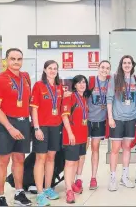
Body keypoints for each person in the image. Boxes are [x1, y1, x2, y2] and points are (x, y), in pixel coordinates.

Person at [0, 48, 32, 206]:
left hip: (23, 122)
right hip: (5, 124)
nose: (16, 62)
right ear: (6, 60)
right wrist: (10, 128)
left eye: (19, 59)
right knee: (3, 161)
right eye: (12, 59)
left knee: (19, 159)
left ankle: (19, 193)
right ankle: (0, 197)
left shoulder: (26, 78)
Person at [106, 55, 136, 191]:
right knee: (115, 150)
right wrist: (110, 117)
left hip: (131, 118)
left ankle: (125, 177)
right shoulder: (115, 78)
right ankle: (113, 178)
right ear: (121, 65)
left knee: (127, 148)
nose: (127, 65)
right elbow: (109, 99)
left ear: (132, 65)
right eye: (124, 63)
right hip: (117, 118)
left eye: (129, 63)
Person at [31, 60, 63, 206]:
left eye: (55, 68)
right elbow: (34, 108)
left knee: (51, 157)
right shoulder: (38, 86)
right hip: (42, 127)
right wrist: (36, 128)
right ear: (44, 70)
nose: (52, 71)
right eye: (50, 68)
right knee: (40, 158)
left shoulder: (59, 87)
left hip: (55, 127)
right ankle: (39, 193)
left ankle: (48, 187)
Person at [61, 75, 91, 204]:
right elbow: (65, 116)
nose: (82, 85)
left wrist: (87, 136)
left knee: (79, 160)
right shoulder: (70, 97)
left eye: (84, 82)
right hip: (71, 136)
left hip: (82, 136)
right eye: (79, 83)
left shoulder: (84, 98)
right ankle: (68, 190)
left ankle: (73, 183)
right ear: (74, 85)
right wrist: (70, 133)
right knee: (70, 163)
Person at [87, 60, 111, 190]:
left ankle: (93, 177)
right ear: (98, 68)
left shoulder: (110, 83)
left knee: (95, 148)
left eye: (107, 68)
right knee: (82, 150)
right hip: (87, 120)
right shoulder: (90, 81)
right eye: (102, 67)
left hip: (100, 121)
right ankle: (77, 177)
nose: (104, 70)